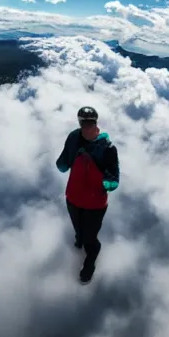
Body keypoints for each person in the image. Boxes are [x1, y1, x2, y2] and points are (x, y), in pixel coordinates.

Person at [56, 106, 119, 284]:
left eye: (90, 122)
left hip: (95, 203)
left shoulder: (107, 148)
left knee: (90, 238)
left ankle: (89, 262)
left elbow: (114, 174)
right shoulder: (74, 138)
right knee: (79, 230)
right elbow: (65, 159)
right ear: (79, 122)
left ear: (96, 123)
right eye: (84, 122)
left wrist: (110, 183)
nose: (87, 126)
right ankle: (79, 240)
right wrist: (62, 163)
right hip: (74, 198)